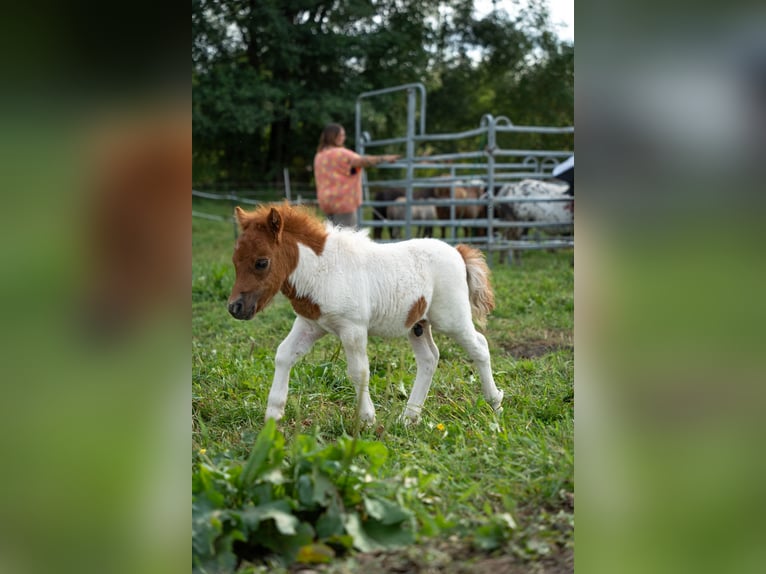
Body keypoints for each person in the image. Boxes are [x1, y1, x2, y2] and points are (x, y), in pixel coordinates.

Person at [313, 123, 399, 227]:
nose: (344, 138)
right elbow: (362, 161)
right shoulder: (341, 154)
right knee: (347, 238)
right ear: (335, 136)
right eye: (342, 135)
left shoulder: (319, 156)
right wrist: (384, 158)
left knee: (332, 236)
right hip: (343, 203)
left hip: (326, 203)